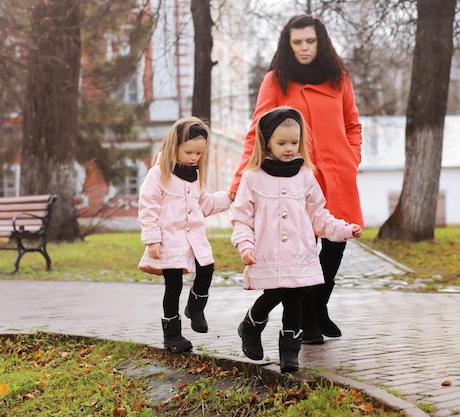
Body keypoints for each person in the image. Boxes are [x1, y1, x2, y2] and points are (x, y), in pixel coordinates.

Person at [229, 14, 364, 345]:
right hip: (293, 177)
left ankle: (318, 308)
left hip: (337, 175)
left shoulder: (339, 78)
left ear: (321, 42)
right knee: (305, 250)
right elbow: (257, 131)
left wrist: (352, 158)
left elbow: (353, 125)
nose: (305, 48)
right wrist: (241, 178)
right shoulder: (276, 80)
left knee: (334, 247)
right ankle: (308, 320)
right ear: (288, 45)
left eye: (310, 41)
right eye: (297, 42)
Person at [231, 106, 363, 373]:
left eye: (294, 142)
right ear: (266, 141)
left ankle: (289, 352)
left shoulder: (305, 176)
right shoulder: (253, 177)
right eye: (281, 143)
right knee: (274, 294)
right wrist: (245, 245)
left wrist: (343, 230)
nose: (289, 148)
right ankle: (251, 324)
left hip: (300, 255)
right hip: (267, 253)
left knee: (295, 300)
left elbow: (319, 215)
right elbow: (242, 218)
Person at [138, 116, 232, 353]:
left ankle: (195, 307)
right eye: (189, 152)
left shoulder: (194, 176)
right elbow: (147, 207)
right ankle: (172, 334)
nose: (194, 158)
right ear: (174, 147)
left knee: (207, 268)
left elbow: (205, 204)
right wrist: (152, 239)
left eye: (199, 154)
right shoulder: (158, 174)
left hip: (194, 239)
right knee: (173, 285)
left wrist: (229, 197)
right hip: (169, 240)